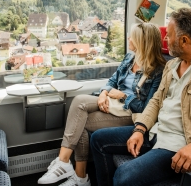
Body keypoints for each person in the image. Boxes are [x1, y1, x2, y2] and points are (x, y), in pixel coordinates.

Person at [90, 8, 191, 186]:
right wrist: (140, 129)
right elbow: (156, 101)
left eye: (169, 35)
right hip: (155, 131)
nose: (165, 40)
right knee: (98, 140)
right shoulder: (172, 65)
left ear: (184, 40)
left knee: (123, 176)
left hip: (178, 143)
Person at [38, 23, 166, 186]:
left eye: (132, 36)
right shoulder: (129, 59)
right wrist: (104, 93)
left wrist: (123, 96)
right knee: (78, 103)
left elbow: (146, 109)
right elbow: (112, 81)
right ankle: (73, 171)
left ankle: (76, 173)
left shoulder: (159, 70)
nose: (128, 39)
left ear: (142, 41)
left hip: (130, 114)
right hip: (114, 105)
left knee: (80, 121)